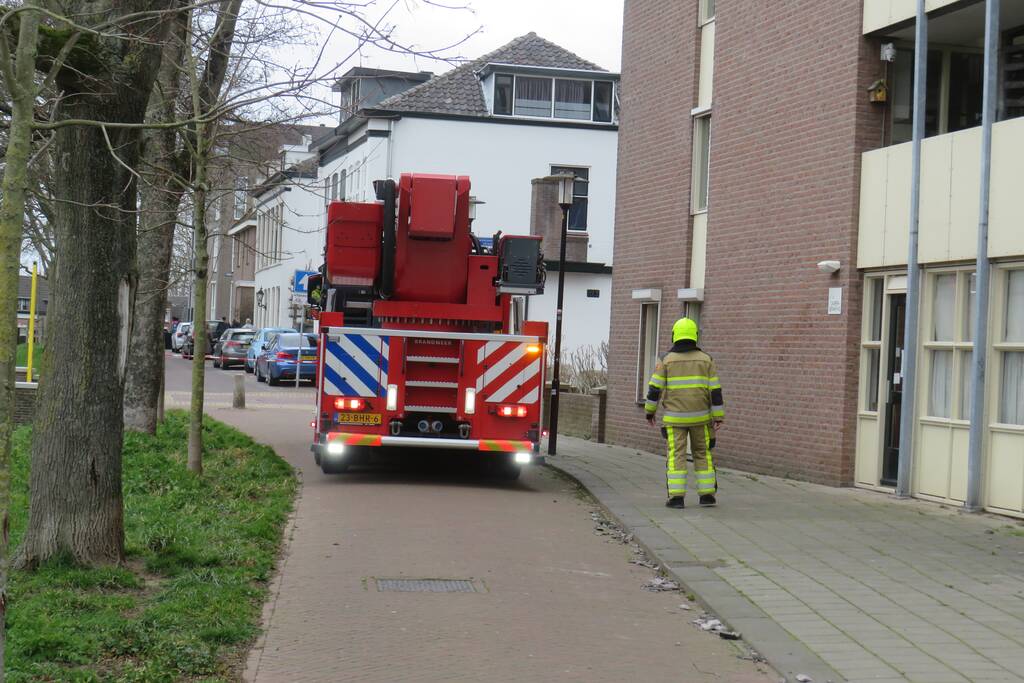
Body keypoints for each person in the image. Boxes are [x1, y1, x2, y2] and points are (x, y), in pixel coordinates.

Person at [644, 317, 724, 509]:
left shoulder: (666, 360)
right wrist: (718, 416)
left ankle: (677, 498)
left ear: (675, 336)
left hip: (674, 420)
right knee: (703, 454)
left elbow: (655, 389)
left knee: (677, 455)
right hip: (701, 419)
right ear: (695, 336)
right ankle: (707, 496)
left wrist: (650, 411)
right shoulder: (707, 360)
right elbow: (715, 390)